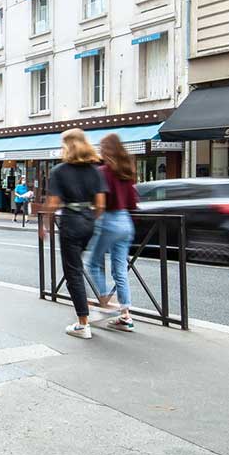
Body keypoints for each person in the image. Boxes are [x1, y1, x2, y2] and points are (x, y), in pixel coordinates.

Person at [41, 129, 105, 339]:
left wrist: (45, 225)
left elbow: (53, 203)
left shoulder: (59, 171)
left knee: (73, 273)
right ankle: (90, 307)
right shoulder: (95, 170)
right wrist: (90, 219)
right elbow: (100, 204)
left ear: (66, 146)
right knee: (80, 267)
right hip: (88, 221)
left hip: (70, 222)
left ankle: (83, 323)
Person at [88, 134, 139, 332]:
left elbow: (99, 203)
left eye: (102, 147)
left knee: (92, 263)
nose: (100, 150)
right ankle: (126, 315)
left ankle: (104, 303)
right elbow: (133, 204)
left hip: (109, 220)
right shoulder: (127, 173)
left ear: (108, 150)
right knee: (120, 270)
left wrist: (93, 220)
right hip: (126, 222)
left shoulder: (102, 172)